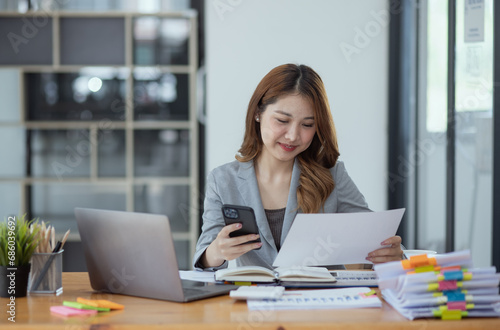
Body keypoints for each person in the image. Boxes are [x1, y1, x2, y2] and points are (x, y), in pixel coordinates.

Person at [193, 63, 403, 270]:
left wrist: (392, 253)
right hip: (255, 299)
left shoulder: (332, 175)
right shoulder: (222, 180)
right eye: (282, 120)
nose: (293, 136)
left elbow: (374, 238)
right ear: (258, 113)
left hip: (319, 300)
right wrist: (217, 251)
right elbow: (203, 259)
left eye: (307, 125)